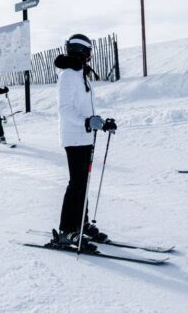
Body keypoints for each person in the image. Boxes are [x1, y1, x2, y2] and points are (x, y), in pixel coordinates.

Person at [50, 33, 117, 252]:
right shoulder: (68, 75)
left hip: (85, 135)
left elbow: (84, 108)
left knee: (83, 184)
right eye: (88, 52)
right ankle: (67, 230)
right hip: (74, 136)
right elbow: (65, 109)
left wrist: (100, 123)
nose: (90, 56)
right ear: (81, 51)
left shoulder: (80, 74)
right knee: (76, 184)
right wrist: (87, 121)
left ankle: (81, 223)